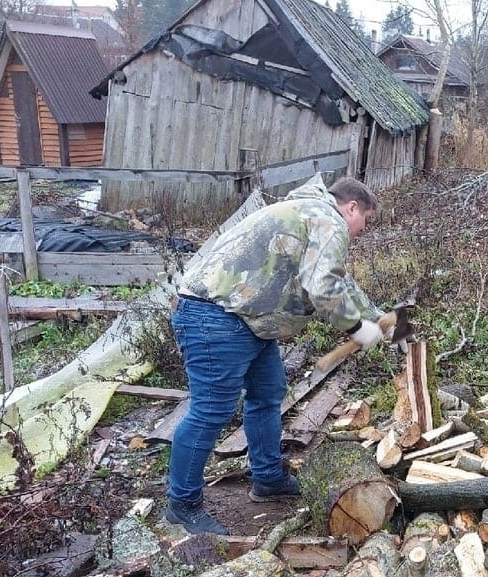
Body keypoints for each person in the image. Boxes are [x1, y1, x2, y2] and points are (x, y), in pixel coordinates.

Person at [164, 174, 388, 535]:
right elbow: (323, 288)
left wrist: (381, 320)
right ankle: (182, 505)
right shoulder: (328, 221)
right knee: (211, 411)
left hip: (246, 319)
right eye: (366, 220)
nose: (363, 230)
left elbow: (341, 282)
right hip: (217, 316)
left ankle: (267, 478)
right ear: (351, 207)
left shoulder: (311, 215)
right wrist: (357, 329)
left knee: (268, 394)